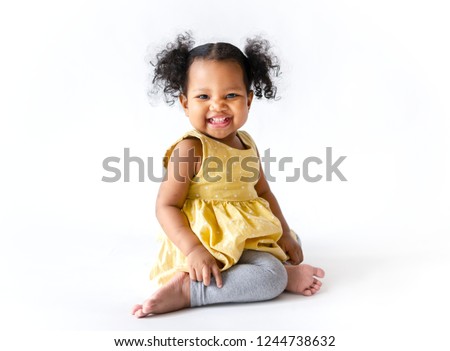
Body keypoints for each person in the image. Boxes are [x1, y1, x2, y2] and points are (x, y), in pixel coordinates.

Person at [132, 33, 325, 317]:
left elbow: (263, 192)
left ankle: (280, 271)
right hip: (205, 240)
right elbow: (166, 206)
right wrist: (194, 250)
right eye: (203, 96)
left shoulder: (246, 143)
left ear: (249, 99)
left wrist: (283, 232)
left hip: (241, 233)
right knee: (269, 277)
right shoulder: (191, 148)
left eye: (231, 95)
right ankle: (191, 291)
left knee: (293, 240)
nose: (218, 105)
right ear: (185, 103)